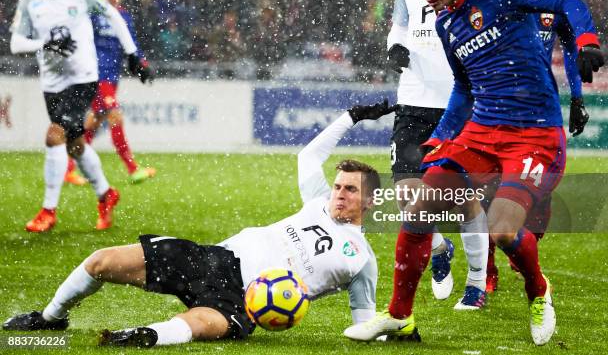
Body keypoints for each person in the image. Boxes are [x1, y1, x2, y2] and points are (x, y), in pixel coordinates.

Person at [344, 0, 604, 345]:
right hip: (481, 131)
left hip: (533, 134)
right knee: (418, 214)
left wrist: (588, 43)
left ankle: (539, 291)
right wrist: (443, 136)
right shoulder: (447, 23)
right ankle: (400, 317)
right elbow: (464, 90)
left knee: (502, 231)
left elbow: (568, 3)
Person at [2, 101, 397, 348]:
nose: (339, 193)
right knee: (101, 261)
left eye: (350, 190)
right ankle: (50, 318)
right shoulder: (317, 199)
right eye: (339, 185)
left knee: (206, 323)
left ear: (370, 200)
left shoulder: (361, 259)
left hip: (245, 302)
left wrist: (393, 327)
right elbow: (308, 157)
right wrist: (352, 117)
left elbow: (362, 324)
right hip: (213, 259)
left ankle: (148, 335)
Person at [387, 0, 488, 310]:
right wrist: (395, 47)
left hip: (462, 105)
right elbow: (400, 25)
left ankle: (477, 285)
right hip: (413, 101)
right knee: (408, 197)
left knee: (464, 199)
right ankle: (439, 243)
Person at [9, 0, 147, 232]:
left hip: (83, 77)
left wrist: (133, 54)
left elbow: (114, 16)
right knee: (74, 144)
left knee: (55, 135)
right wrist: (45, 45)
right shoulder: (29, 1)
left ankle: (48, 211)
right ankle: (107, 194)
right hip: (52, 82)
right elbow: (16, 44)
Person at [485, 0, 590, 294]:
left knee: (541, 189)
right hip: (497, 107)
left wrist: (577, 98)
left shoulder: (552, 4)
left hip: (539, 111)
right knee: (489, 188)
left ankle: (520, 247)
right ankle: (486, 274)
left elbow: (573, 51)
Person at [64, 0, 155, 186]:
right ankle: (132, 169)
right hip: (96, 75)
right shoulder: (94, 14)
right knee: (115, 116)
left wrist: (142, 64)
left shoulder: (124, 17)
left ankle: (68, 168)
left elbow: (131, 45)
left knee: (93, 123)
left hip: (112, 77)